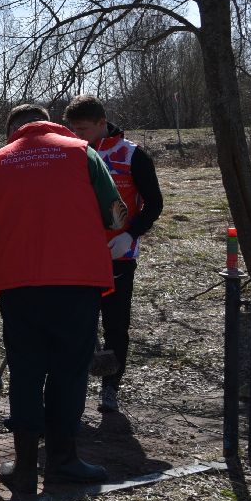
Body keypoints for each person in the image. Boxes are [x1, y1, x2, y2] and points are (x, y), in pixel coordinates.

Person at [0, 103, 126, 499]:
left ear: (14, 130)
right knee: (69, 369)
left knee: (26, 372)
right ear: (52, 123)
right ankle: (63, 459)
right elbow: (115, 216)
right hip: (75, 282)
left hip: (19, 284)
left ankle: (26, 466)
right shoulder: (82, 152)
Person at [63, 94, 164, 412]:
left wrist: (131, 234)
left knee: (116, 325)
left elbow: (155, 203)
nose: (77, 135)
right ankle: (74, 389)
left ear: (102, 124)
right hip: (78, 257)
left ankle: (110, 389)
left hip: (118, 254)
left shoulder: (132, 154)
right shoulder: (70, 154)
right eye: (73, 129)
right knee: (77, 325)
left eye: (83, 129)